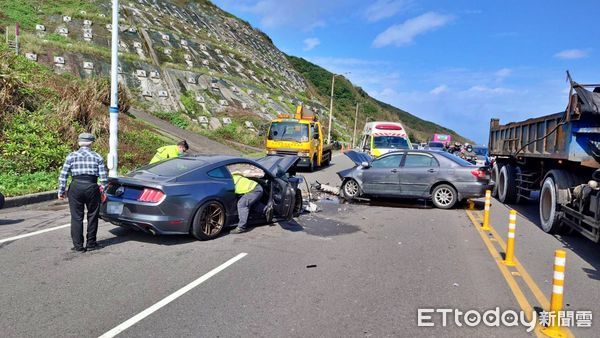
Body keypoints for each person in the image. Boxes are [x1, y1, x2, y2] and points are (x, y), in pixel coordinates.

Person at [58, 133, 108, 252]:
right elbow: (104, 178)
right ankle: (91, 243)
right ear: (91, 143)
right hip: (91, 186)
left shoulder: (71, 156)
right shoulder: (97, 157)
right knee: (92, 215)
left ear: (79, 143)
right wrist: (103, 191)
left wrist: (61, 190)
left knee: (76, 217)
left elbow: (63, 175)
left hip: (75, 186)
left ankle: (78, 246)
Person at [229, 169, 271, 234]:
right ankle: (266, 209)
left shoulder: (230, 180)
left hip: (254, 190)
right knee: (252, 204)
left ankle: (241, 227)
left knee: (242, 204)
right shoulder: (235, 176)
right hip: (256, 188)